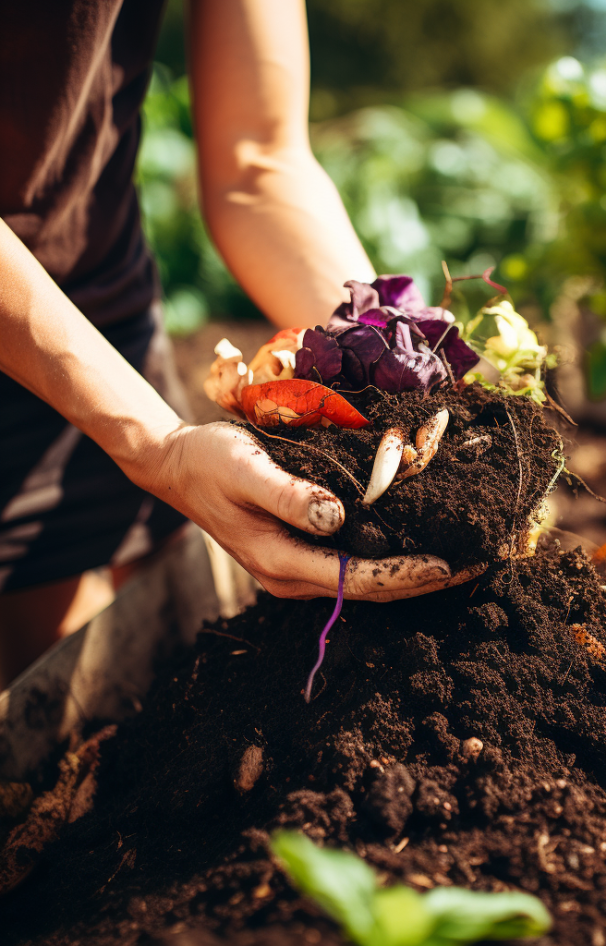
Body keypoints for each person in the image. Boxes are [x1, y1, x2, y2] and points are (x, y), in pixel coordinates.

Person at [0, 0, 471, 688]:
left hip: (92, 295)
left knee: (129, 654)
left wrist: (390, 352)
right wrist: (159, 447)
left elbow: (260, 160)